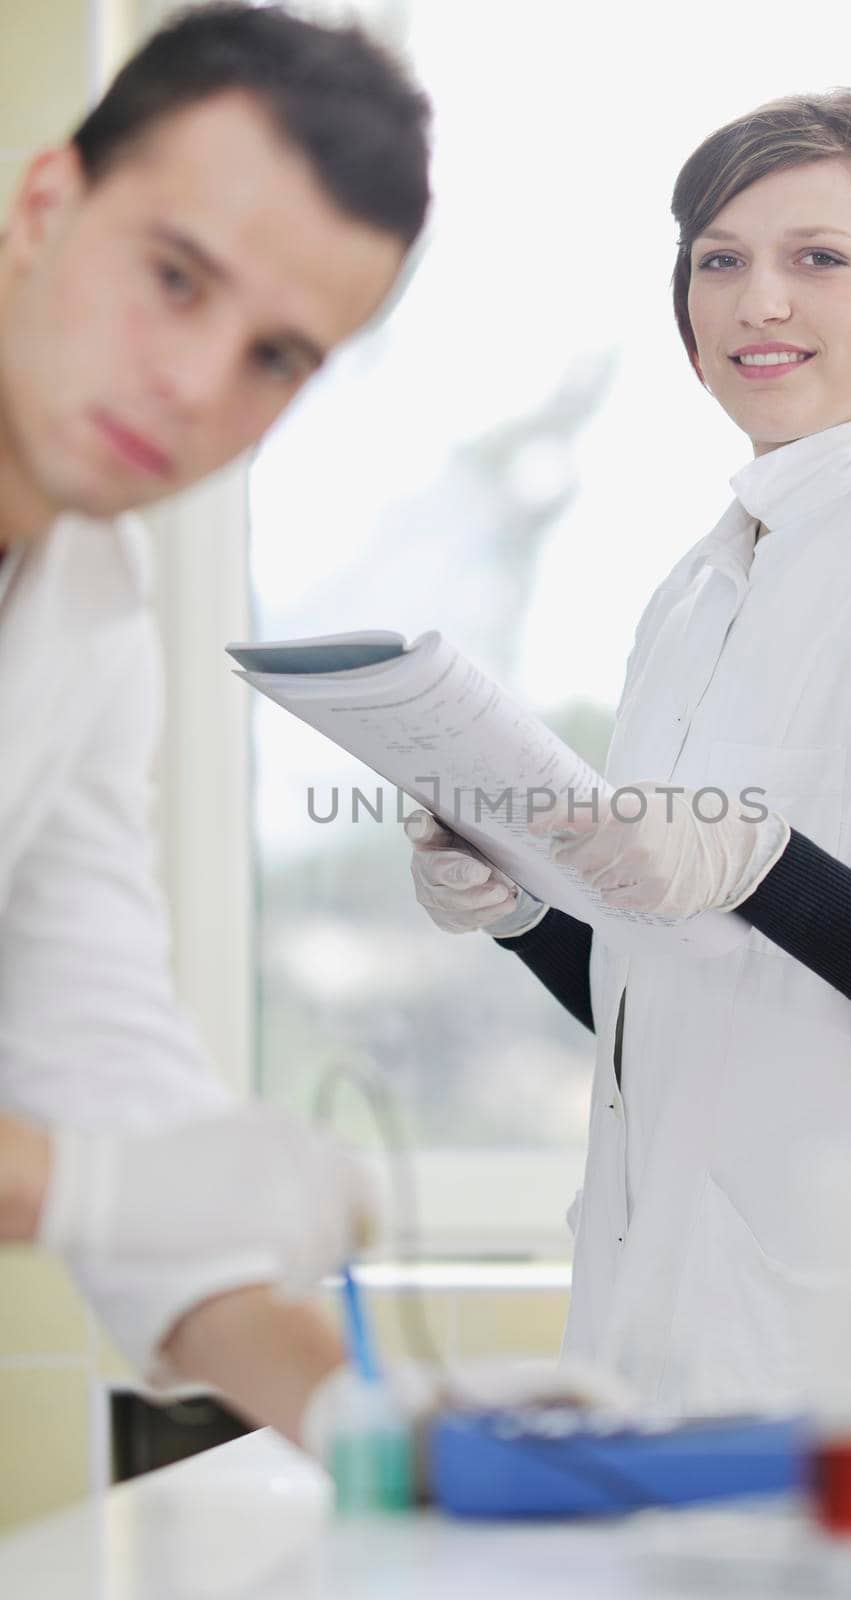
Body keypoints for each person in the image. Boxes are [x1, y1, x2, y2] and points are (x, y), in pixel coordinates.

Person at [406, 87, 851, 1412]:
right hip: (651, 1335)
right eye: (720, 260)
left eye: (817, 257)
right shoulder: (693, 595)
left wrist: (758, 860)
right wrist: (526, 910)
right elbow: (670, 1008)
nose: (757, 300)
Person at [0, 0, 431, 1448]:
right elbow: (113, 1174)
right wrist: (90, 1189)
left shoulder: (88, 615)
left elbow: (101, 1056)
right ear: (47, 201)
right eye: (175, 278)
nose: (195, 386)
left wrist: (396, 1433)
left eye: (276, 358)